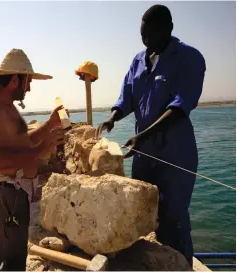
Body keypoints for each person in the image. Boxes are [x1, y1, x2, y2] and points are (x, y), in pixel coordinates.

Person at [98, 5, 206, 266]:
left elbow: (180, 107)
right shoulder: (138, 60)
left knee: (174, 216)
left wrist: (142, 136)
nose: (145, 41)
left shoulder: (189, 57)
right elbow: (126, 96)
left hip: (175, 154)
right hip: (144, 155)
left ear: (168, 29)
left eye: (149, 35)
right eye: (142, 35)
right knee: (147, 212)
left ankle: (182, 264)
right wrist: (113, 117)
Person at [0, 48, 67, 271]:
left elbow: (22, 142)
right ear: (15, 80)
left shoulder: (7, 109)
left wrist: (50, 123)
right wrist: (44, 148)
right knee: (13, 262)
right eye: (28, 81)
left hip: (15, 195)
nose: (29, 87)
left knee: (17, 259)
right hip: (7, 197)